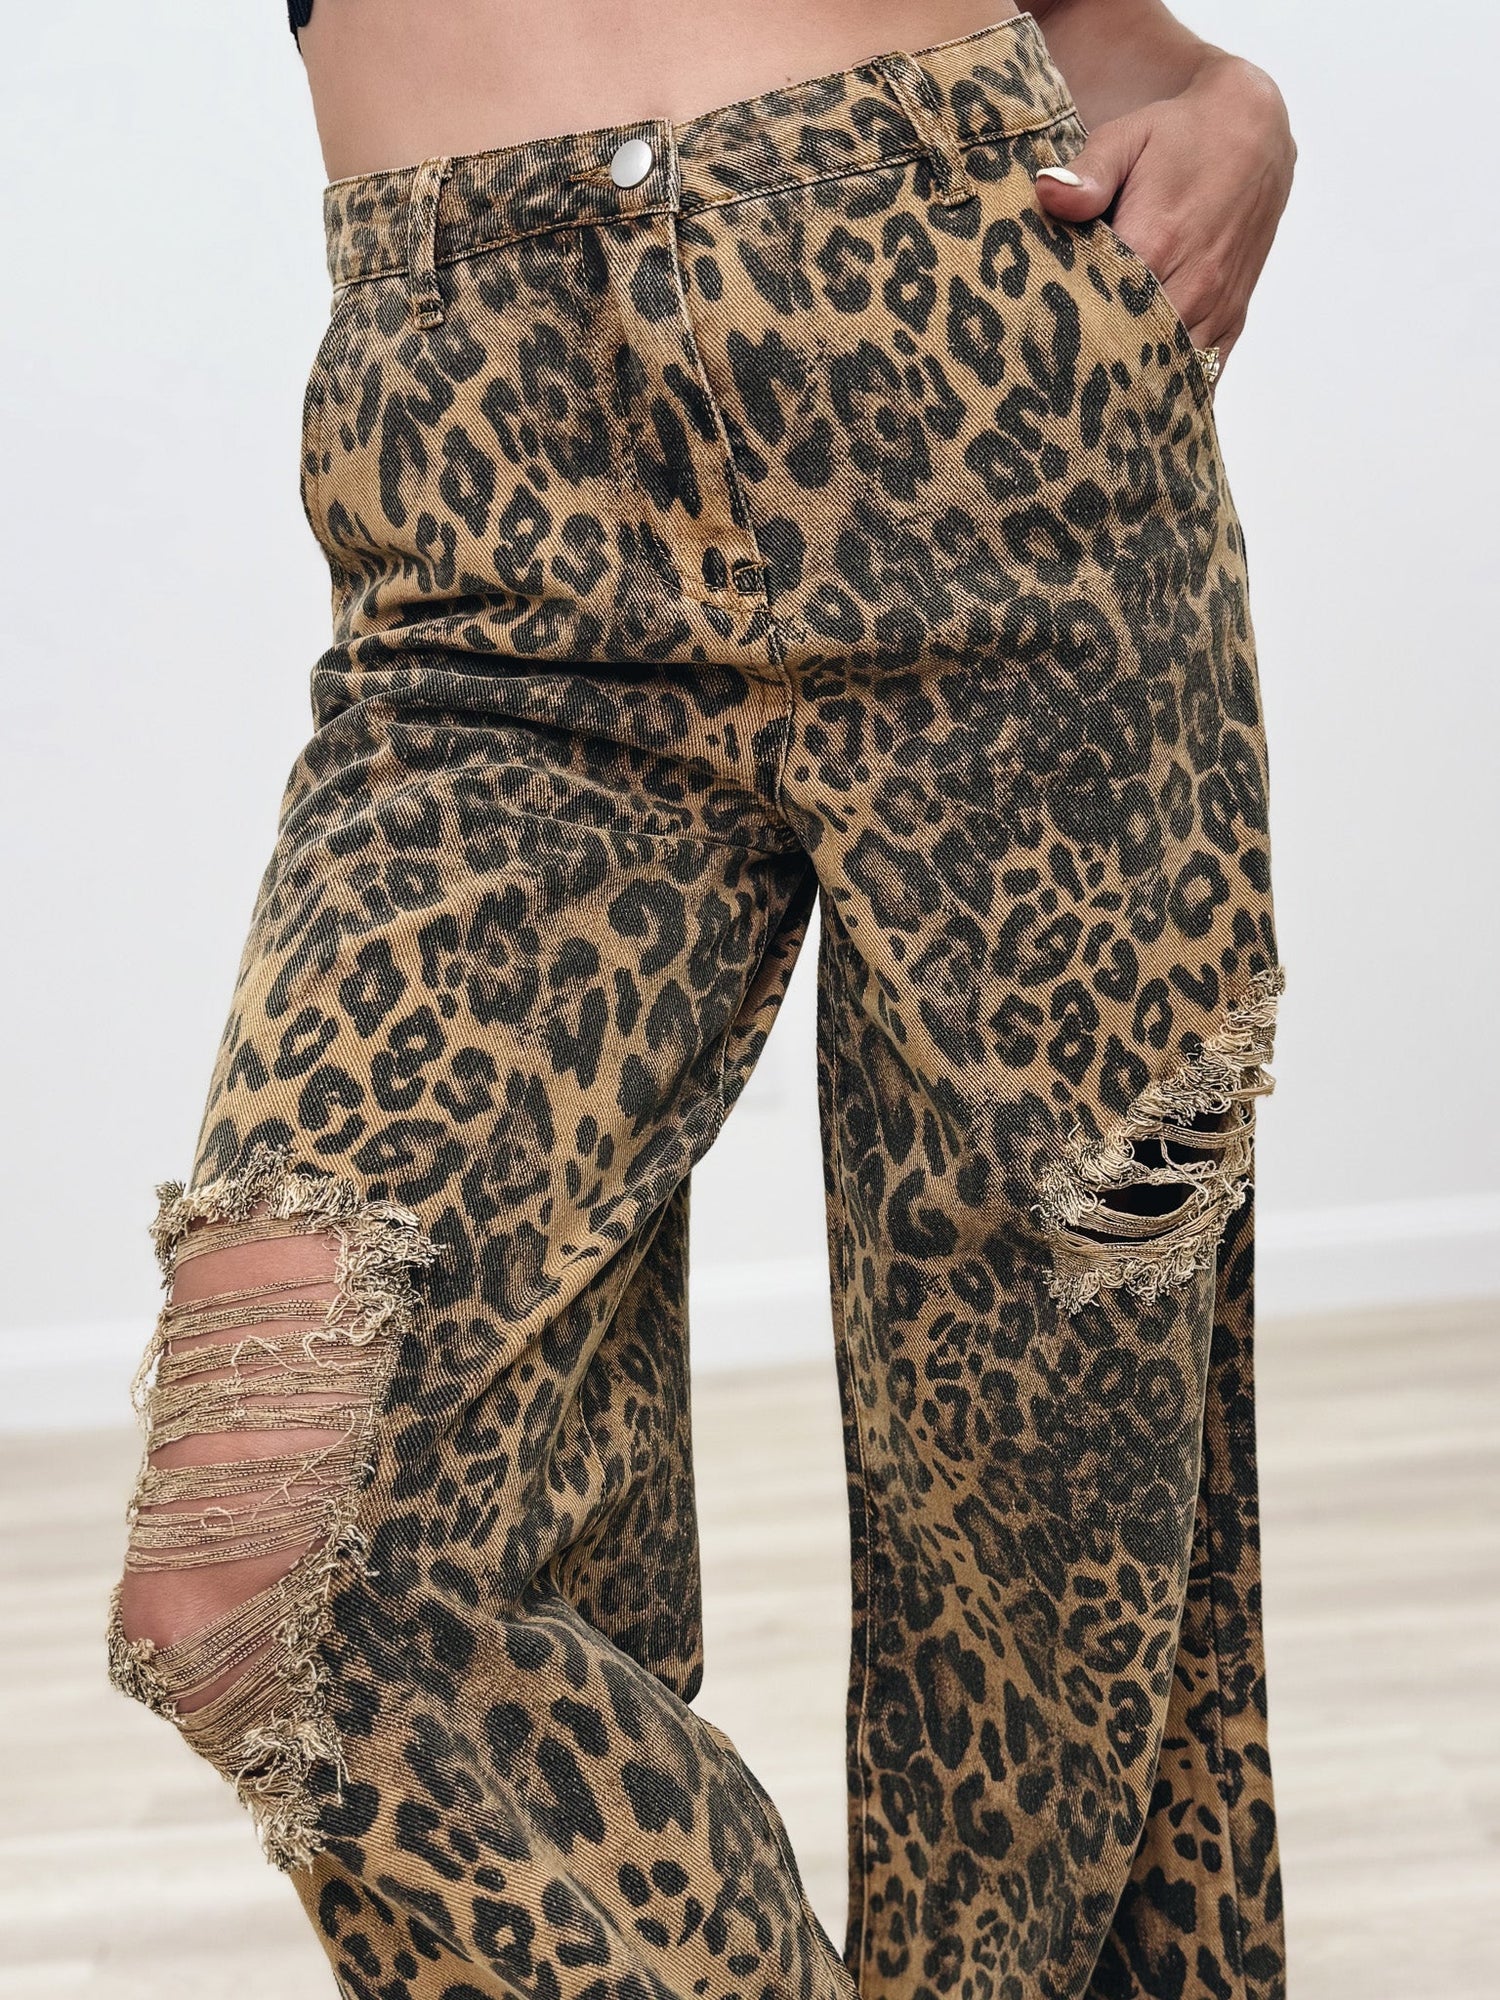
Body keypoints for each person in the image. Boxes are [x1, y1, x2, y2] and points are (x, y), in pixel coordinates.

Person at [106, 4, 1296, 1996]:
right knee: (265, 1573)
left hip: (994, 403)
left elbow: (1117, 48)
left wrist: (1212, 95)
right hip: (485, 522)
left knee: (1058, 1597)